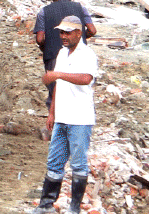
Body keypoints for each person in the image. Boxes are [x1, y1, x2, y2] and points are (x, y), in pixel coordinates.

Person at [30, 16, 99, 214]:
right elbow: (58, 87)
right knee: (54, 162)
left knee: (78, 163)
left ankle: (74, 208)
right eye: (61, 32)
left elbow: (86, 78)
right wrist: (51, 113)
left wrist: (57, 75)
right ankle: (45, 205)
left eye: (68, 32)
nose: (63, 36)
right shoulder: (62, 53)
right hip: (62, 117)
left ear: (79, 33)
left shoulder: (87, 55)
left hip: (79, 118)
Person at [33, 0, 95, 113]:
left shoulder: (44, 12)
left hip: (53, 55)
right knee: (77, 91)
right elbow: (92, 30)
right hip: (77, 55)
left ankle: (54, 128)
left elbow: (39, 39)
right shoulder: (80, 8)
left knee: (55, 91)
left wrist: (46, 47)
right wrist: (79, 39)